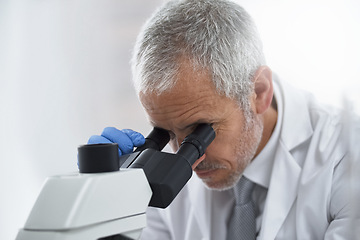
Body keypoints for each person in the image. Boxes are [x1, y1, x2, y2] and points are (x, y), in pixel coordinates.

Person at [87, 0, 360, 239]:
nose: (188, 159)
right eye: (165, 133)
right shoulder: (164, 181)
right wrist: (105, 207)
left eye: (198, 131)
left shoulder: (348, 158)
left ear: (259, 92)